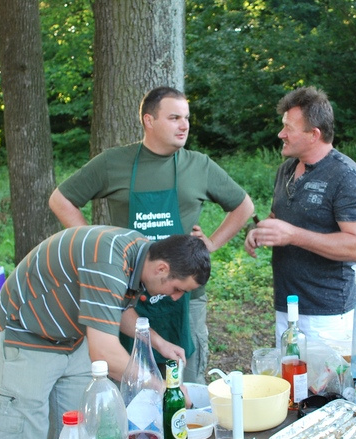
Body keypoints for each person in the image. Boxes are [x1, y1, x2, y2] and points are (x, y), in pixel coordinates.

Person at [49, 87, 253, 383]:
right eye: (174, 117)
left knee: (185, 376)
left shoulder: (199, 166)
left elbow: (243, 206)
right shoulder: (113, 162)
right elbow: (60, 200)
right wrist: (92, 242)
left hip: (185, 296)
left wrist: (211, 245)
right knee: (128, 380)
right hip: (125, 294)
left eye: (186, 118)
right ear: (149, 120)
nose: (184, 125)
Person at [0, 228, 210, 439]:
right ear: (161, 269)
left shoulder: (139, 256)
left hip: (72, 339)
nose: (176, 297)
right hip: (26, 337)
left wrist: (158, 343)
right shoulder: (107, 261)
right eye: (178, 288)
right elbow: (104, 354)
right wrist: (164, 388)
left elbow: (115, 308)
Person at [244, 86, 356, 354]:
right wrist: (261, 231)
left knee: (323, 394)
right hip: (287, 306)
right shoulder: (286, 169)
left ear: (314, 134)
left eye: (288, 128)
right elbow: (281, 218)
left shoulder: (346, 176)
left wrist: (292, 235)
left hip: (327, 315)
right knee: (291, 389)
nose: (281, 134)